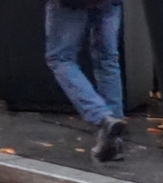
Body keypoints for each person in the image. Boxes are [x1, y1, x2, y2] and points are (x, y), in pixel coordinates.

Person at [43, 0, 126, 162]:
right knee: (107, 60)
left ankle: (102, 116)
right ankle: (113, 142)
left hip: (71, 4)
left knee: (60, 58)